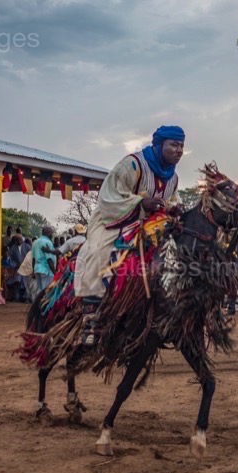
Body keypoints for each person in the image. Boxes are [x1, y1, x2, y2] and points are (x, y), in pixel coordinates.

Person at [75, 125, 184, 346]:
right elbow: (108, 198)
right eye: (174, 144)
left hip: (149, 226)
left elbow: (172, 200)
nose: (179, 150)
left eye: (181, 145)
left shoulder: (173, 178)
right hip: (113, 221)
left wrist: (174, 209)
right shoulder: (132, 165)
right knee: (98, 251)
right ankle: (90, 317)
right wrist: (141, 203)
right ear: (159, 144)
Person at [32, 226, 57, 292]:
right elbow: (49, 259)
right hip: (46, 270)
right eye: (51, 233)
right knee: (46, 291)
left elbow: (33, 259)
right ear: (48, 233)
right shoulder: (48, 242)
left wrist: (33, 271)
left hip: (37, 269)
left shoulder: (35, 242)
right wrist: (55, 273)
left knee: (40, 291)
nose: (52, 235)